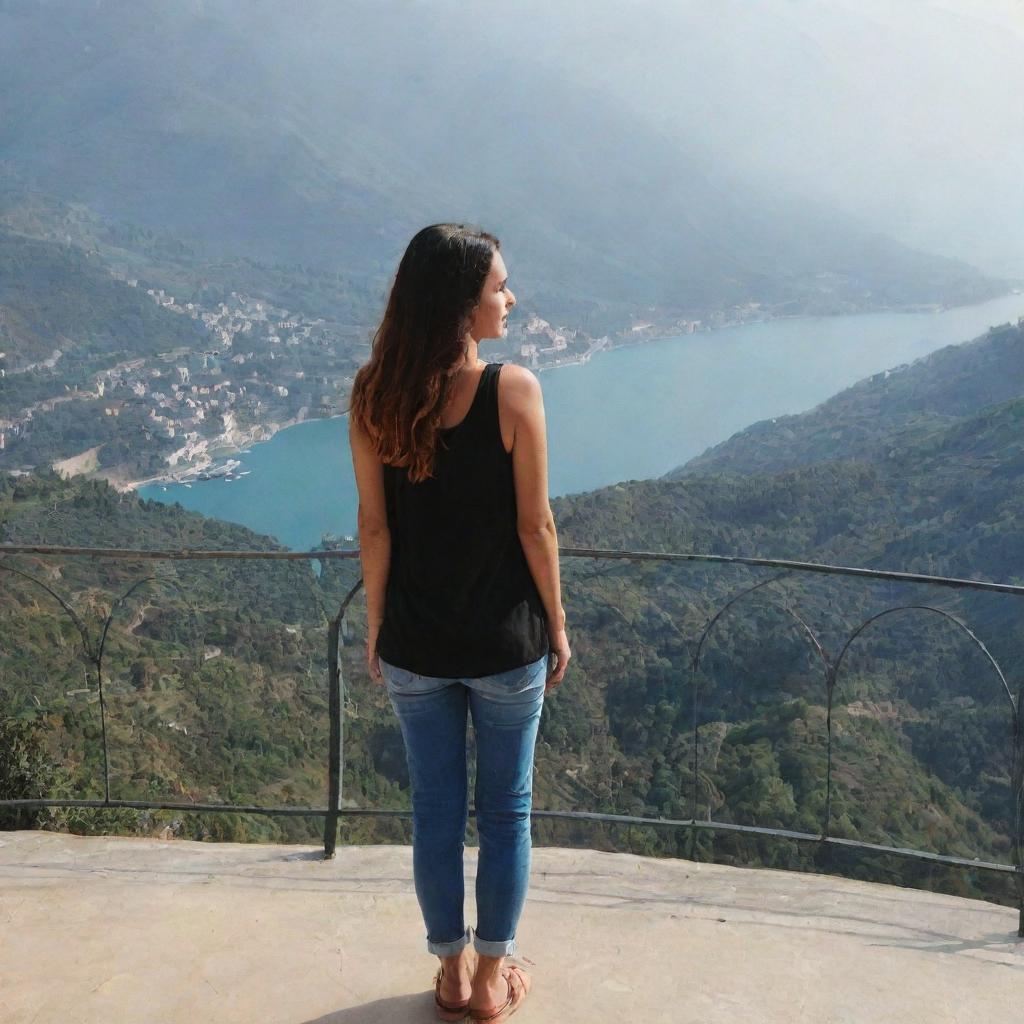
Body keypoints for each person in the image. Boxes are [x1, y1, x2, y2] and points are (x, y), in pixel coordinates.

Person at [348, 223, 570, 1022]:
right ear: (460, 302)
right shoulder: (514, 391)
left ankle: (448, 971)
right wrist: (559, 623)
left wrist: (376, 627)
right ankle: (490, 979)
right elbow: (535, 526)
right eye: (499, 287)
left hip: (414, 643)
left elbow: (375, 529)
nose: (510, 298)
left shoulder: (374, 394)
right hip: (506, 645)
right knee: (505, 809)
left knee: (435, 811)